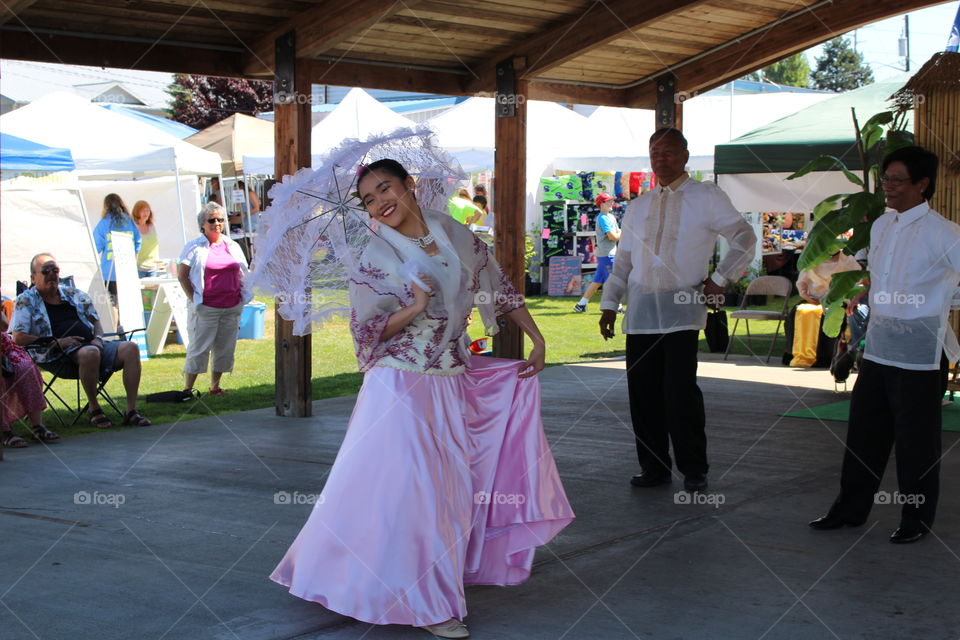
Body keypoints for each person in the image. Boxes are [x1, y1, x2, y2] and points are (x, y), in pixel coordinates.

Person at [270, 159, 574, 639]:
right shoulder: (373, 255)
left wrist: (535, 338)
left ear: (409, 186)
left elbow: (498, 284)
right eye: (368, 199)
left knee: (444, 490)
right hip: (398, 384)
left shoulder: (452, 232)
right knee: (420, 493)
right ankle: (428, 604)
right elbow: (364, 334)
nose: (379, 202)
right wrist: (412, 306)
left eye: (385, 188)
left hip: (450, 380)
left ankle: (366, 577)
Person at [809, 146, 958, 544]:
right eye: (886, 179)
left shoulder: (944, 232)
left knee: (916, 443)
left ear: (922, 184)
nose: (888, 187)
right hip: (878, 348)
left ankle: (916, 518)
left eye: (897, 180)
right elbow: (883, 277)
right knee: (864, 434)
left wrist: (942, 301)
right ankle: (850, 509)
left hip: (921, 353)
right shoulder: (881, 226)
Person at [598, 128, 755, 492]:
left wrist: (719, 279)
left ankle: (694, 469)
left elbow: (745, 237)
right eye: (654, 151)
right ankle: (653, 467)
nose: (660, 158)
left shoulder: (706, 196)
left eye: (668, 151)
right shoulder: (638, 206)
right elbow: (622, 262)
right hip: (639, 314)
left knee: (680, 394)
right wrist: (609, 304)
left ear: (685, 155)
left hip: (682, 311)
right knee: (643, 395)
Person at [11, 253, 150, 428]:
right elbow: (18, 338)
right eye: (46, 271)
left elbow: (95, 320)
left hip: (92, 345)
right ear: (33, 277)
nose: (52, 274)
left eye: (55, 270)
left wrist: (98, 339)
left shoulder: (73, 293)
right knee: (90, 353)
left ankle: (131, 411)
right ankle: (94, 409)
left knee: (130, 348)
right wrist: (56, 342)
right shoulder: (26, 301)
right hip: (55, 354)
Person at [177, 202, 251, 397]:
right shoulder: (194, 246)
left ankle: (215, 386)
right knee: (199, 348)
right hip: (206, 307)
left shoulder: (232, 245)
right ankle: (187, 389)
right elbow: (182, 275)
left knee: (225, 348)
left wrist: (243, 296)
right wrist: (194, 298)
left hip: (232, 305)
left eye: (220, 219)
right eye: (212, 220)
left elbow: (243, 272)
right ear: (202, 224)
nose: (217, 223)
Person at [787, 250, 862, 367]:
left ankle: (824, 356)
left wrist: (854, 299)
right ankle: (794, 354)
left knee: (826, 315)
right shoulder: (813, 259)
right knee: (797, 312)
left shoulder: (847, 260)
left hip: (837, 300)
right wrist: (804, 293)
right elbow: (802, 281)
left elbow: (860, 281)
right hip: (814, 299)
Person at [1, 311, 57, 447]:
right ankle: (4, 431)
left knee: (26, 367)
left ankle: (37, 426)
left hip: (4, 347)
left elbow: (3, 326)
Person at [93, 194, 141, 320]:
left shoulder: (103, 224)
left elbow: (95, 247)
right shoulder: (129, 222)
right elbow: (138, 242)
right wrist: (133, 260)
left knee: (112, 305)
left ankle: (114, 334)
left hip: (109, 272)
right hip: (128, 270)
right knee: (127, 304)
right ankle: (127, 332)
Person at [574, 192, 620, 313]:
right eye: (609, 201)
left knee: (597, 282)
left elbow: (617, 233)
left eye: (612, 200)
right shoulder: (603, 218)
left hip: (607, 254)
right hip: (607, 255)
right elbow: (613, 237)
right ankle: (617, 306)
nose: (612, 203)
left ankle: (581, 305)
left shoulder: (610, 216)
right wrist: (622, 232)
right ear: (602, 204)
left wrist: (620, 232)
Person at [132, 200, 161, 278]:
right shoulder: (133, 227)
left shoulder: (152, 226)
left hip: (153, 268)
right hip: (138, 268)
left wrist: (158, 262)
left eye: (148, 210)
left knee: (154, 289)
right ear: (137, 212)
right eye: (143, 210)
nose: (146, 213)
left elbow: (155, 246)